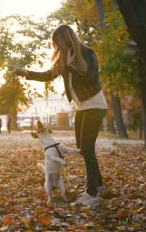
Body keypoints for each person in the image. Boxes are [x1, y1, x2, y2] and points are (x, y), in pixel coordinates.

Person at [15, 25, 108, 206]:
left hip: (95, 105)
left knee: (87, 149)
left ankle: (92, 194)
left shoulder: (89, 54)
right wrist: (27, 74)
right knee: (83, 148)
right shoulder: (64, 59)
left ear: (66, 40)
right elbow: (48, 74)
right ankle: (100, 186)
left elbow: (91, 79)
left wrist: (72, 66)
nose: (56, 48)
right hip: (82, 108)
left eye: (58, 44)